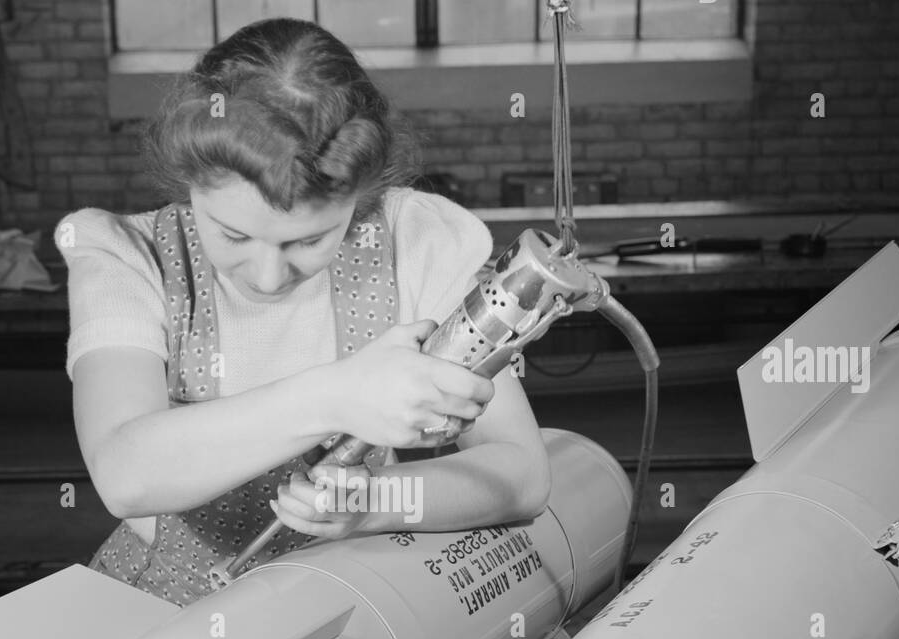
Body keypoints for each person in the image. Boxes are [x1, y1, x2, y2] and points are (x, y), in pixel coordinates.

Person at [57, 17, 551, 606]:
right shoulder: (129, 260)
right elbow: (124, 473)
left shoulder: (414, 242)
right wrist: (339, 396)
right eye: (233, 235)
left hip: (350, 607)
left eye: (309, 240)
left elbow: (521, 477)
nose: (269, 275)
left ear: (361, 198)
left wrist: (375, 504)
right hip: (164, 614)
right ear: (189, 181)